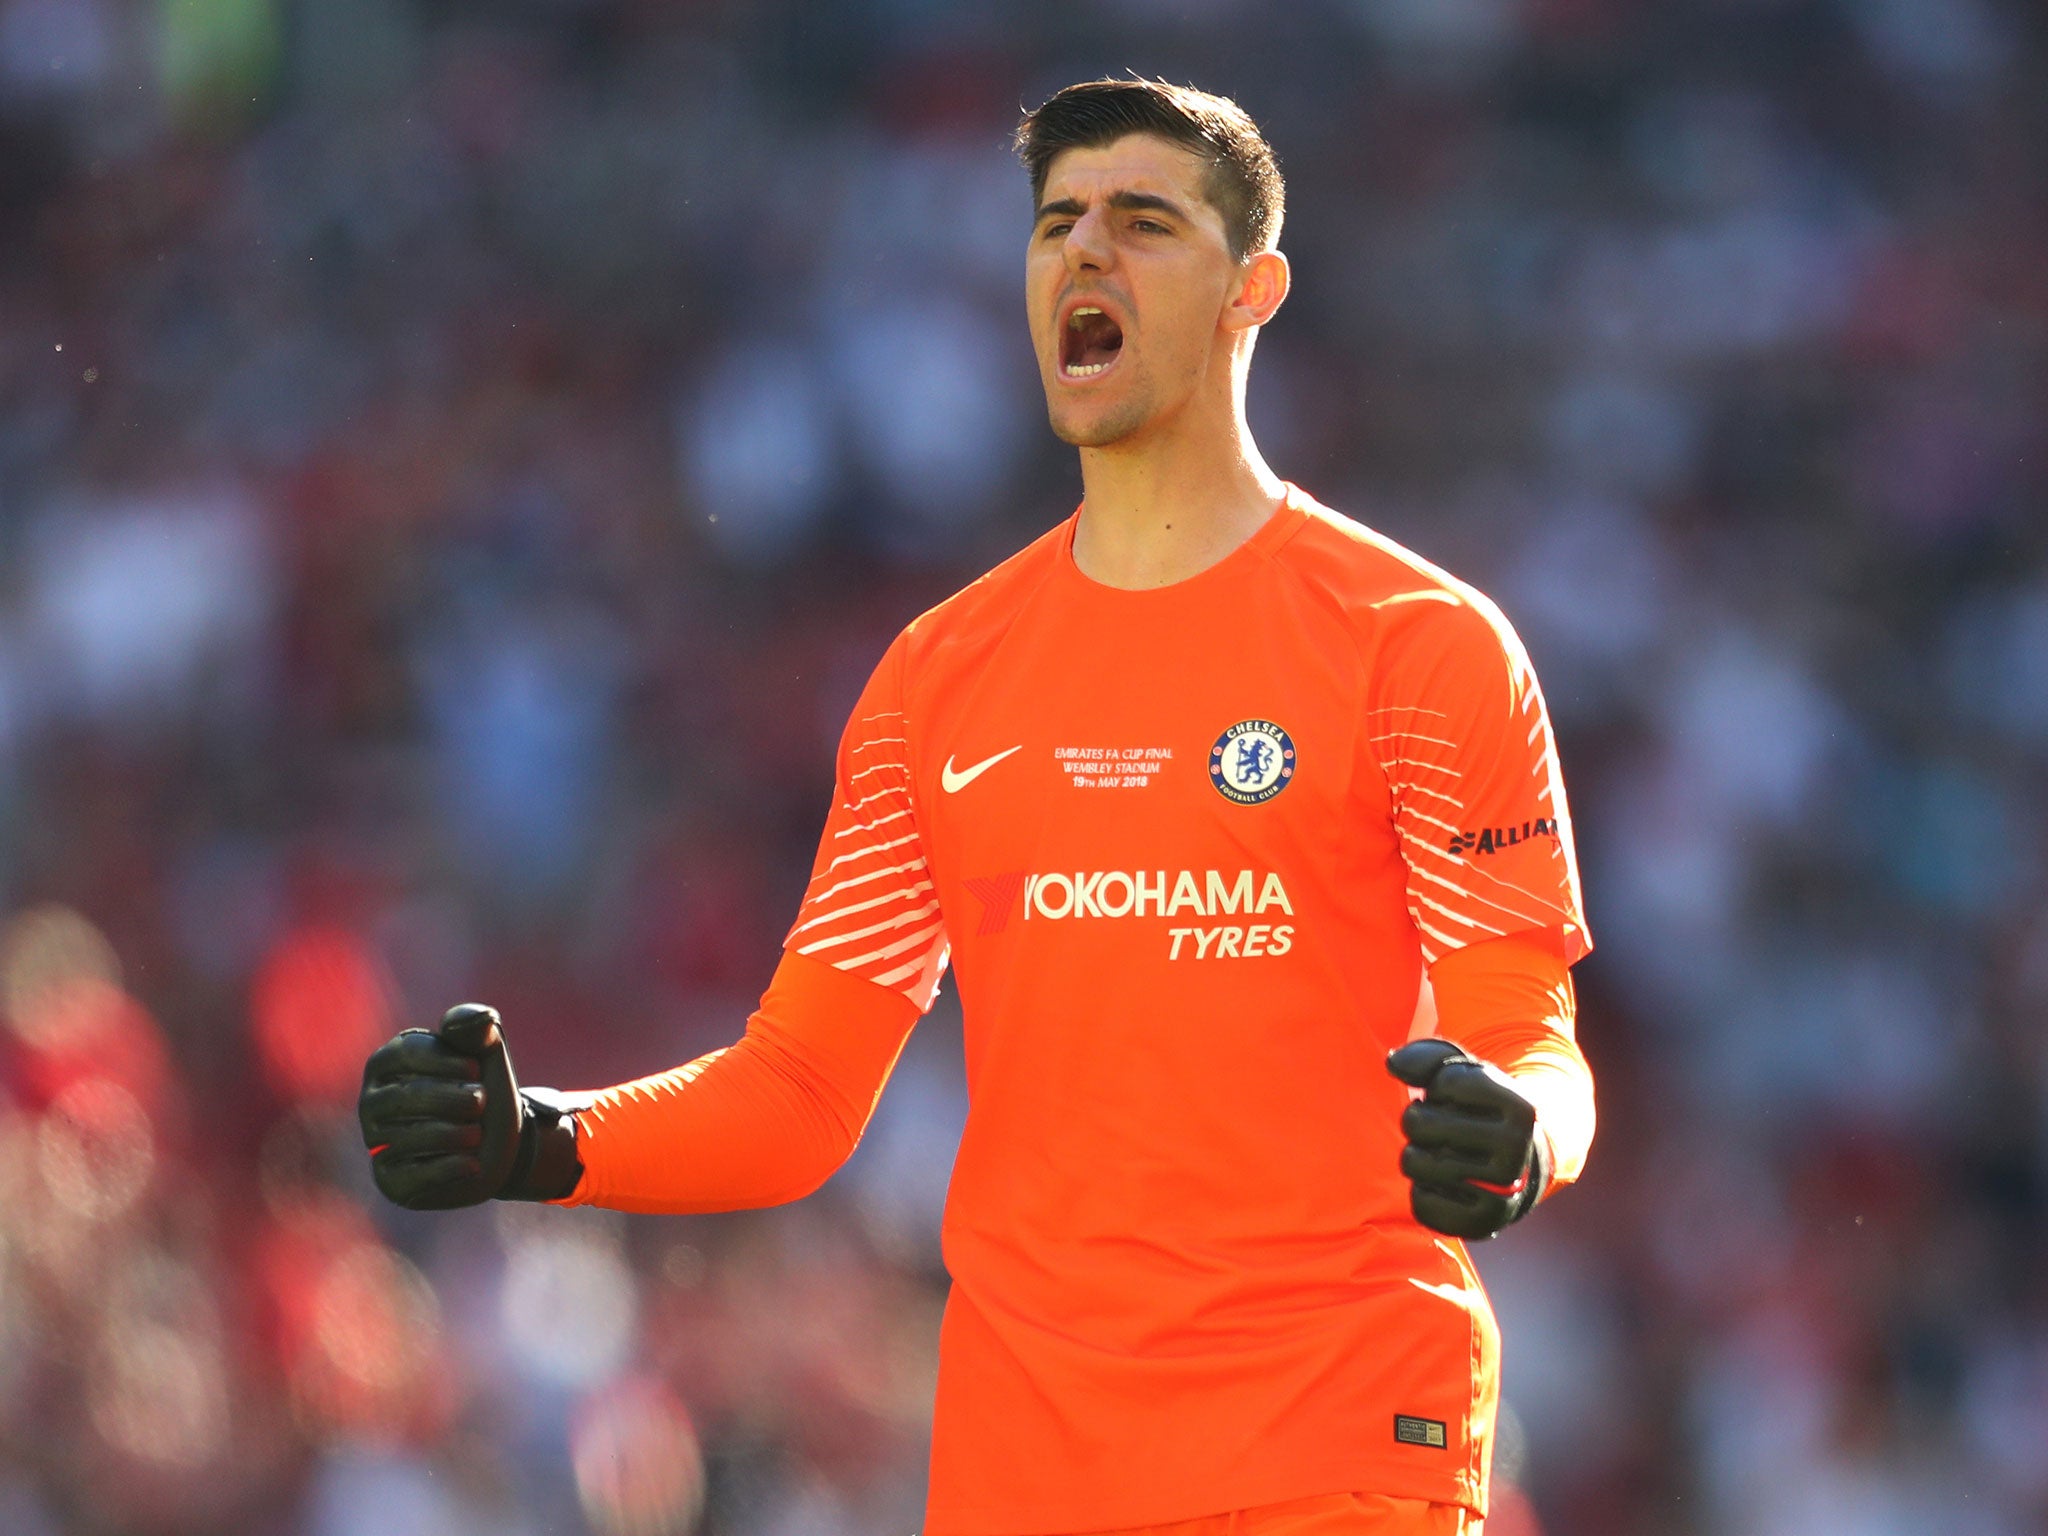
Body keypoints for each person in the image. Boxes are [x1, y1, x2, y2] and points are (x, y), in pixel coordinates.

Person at [359, 78, 1596, 1536]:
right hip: (1026, 1475)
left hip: (1329, 1452)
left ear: (1252, 290)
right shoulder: (938, 680)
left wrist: (1522, 1130)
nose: (1086, 256)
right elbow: (803, 1092)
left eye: (1144, 222)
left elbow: (1531, 1039)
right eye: (1057, 223)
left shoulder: (1419, 645)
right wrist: (548, 1144)